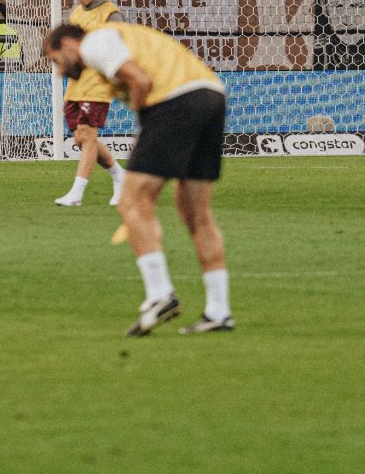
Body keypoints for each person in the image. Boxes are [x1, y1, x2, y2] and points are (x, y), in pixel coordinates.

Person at [44, 19, 232, 336]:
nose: (59, 70)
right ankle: (219, 311)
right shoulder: (127, 36)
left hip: (174, 102)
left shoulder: (94, 44)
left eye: (55, 60)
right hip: (211, 96)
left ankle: (160, 295)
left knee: (132, 199)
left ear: (68, 45)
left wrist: (145, 129)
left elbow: (140, 79)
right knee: (195, 212)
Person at [53, 0, 128, 208]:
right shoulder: (76, 14)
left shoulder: (111, 15)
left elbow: (120, 47)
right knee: (80, 140)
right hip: (76, 84)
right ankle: (119, 175)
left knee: (87, 134)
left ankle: (76, 193)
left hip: (98, 84)